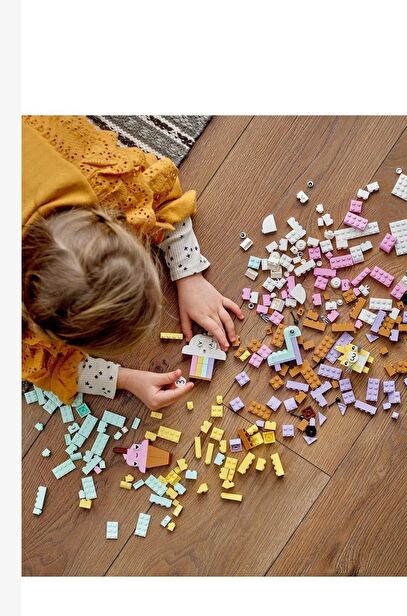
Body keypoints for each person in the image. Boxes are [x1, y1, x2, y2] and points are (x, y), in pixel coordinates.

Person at [22, 116, 243, 409]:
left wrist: (189, 273)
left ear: (116, 222)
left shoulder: (106, 184)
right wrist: (123, 378)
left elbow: (158, 194)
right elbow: (41, 366)